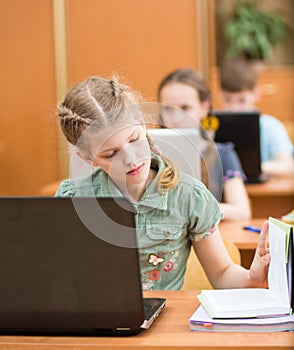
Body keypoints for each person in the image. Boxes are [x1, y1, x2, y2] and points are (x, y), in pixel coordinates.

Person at [54, 75, 270, 291]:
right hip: (96, 321)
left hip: (165, 322)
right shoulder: (71, 198)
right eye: (110, 154)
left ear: (142, 123)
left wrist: (252, 278)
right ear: (87, 158)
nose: (131, 159)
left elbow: (222, 274)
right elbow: (57, 275)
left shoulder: (189, 196)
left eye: (133, 139)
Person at [157, 68, 251, 220]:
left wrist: (193, 208)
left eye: (185, 108)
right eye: (168, 109)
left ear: (204, 108)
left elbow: (242, 211)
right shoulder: (150, 155)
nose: (176, 117)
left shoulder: (222, 153)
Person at [219, 58, 294, 176]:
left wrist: (258, 167)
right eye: (227, 100)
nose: (234, 108)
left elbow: (288, 165)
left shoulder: (271, 126)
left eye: (242, 100)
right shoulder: (214, 126)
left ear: (256, 93)